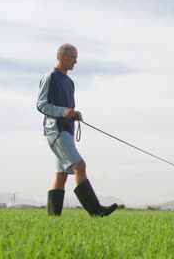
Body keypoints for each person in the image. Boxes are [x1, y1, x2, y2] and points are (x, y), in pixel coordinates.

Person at [37, 43, 118, 217]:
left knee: (62, 174)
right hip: (55, 131)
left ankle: (53, 218)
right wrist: (64, 112)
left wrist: (73, 114)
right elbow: (41, 105)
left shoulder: (70, 82)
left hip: (67, 130)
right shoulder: (50, 77)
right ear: (61, 57)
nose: (75, 61)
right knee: (80, 166)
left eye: (76, 58)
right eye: (73, 57)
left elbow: (66, 108)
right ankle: (96, 211)